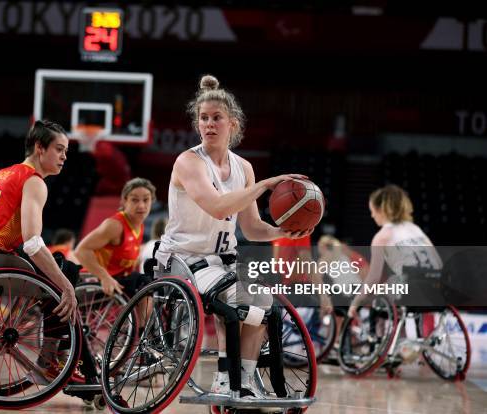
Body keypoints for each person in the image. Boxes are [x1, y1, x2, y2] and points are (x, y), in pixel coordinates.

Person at [154, 75, 312, 398]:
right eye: (203, 118)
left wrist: (285, 231)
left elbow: (252, 227)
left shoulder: (243, 168)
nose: (209, 124)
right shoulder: (188, 162)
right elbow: (215, 206)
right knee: (239, 306)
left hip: (222, 263)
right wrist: (264, 186)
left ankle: (245, 381)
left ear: (233, 124)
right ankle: (226, 381)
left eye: (216, 118)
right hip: (184, 261)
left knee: (267, 306)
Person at [0, 120, 82, 382]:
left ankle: (51, 353)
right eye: (59, 149)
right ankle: (51, 359)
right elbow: (32, 242)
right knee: (66, 274)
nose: (64, 156)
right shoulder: (34, 181)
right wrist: (65, 285)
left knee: (56, 269)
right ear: (40, 148)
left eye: (66, 151)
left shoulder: (3, 172)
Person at [347, 184, 442, 318]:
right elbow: (437, 261)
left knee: (378, 300)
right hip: (436, 286)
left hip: (410, 287)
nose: (372, 215)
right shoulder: (415, 228)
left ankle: (382, 336)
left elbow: (373, 278)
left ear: (381, 209)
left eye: (372, 210)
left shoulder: (382, 236)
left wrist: (356, 302)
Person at [75, 177, 155, 298]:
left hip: (118, 282)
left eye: (146, 200)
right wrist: (104, 276)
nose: (141, 205)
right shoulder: (115, 225)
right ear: (124, 201)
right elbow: (81, 250)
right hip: (94, 282)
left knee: (150, 281)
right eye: (135, 200)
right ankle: (145, 318)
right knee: (143, 283)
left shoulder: (139, 226)